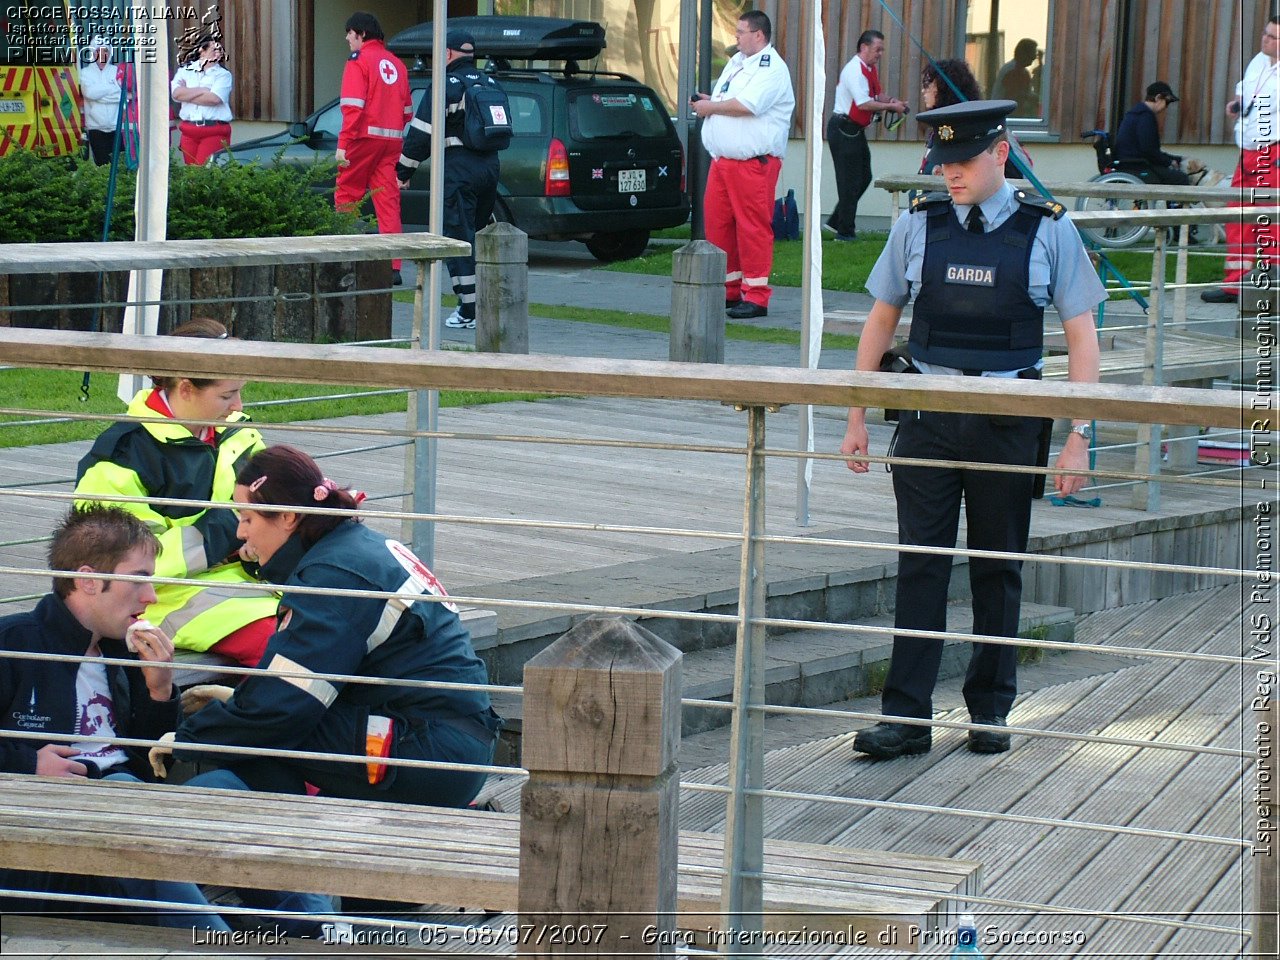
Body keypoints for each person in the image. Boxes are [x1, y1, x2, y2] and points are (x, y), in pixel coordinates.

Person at [839, 100, 1104, 760]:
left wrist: (1080, 433)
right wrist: (855, 415)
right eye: (942, 163)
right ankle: (905, 719)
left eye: (961, 162)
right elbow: (879, 322)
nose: (949, 174)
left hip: (1008, 419)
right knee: (920, 568)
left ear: (1001, 153)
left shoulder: (1048, 231)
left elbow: (1082, 338)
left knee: (997, 570)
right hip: (928, 419)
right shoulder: (916, 225)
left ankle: (989, 711)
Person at [158, 445, 501, 808]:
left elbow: (284, 707)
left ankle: (279, 836)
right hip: (449, 743)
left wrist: (188, 739)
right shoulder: (354, 547)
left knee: (268, 733)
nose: (240, 533)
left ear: (287, 516)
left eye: (246, 518)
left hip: (429, 757)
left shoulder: (332, 576)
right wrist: (238, 707)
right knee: (259, 731)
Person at [0, 505, 230, 931]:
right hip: (44, 846)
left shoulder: (120, 651)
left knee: (231, 787)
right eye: (140, 580)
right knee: (122, 790)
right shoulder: (14, 644)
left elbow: (150, 765)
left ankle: (315, 928)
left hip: (127, 824)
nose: (152, 597)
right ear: (88, 580)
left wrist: (160, 690)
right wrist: (27, 764)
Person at [75, 319, 278, 667]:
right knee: (287, 648)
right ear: (185, 387)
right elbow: (128, 563)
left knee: (337, 627)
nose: (237, 405)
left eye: (240, 391)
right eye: (227, 395)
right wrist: (233, 528)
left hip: (252, 583)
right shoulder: (121, 458)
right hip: (166, 600)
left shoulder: (235, 432)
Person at [397, 28, 505, 331]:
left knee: (457, 239)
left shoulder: (446, 84)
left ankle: (470, 309)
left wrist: (403, 171)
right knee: (479, 237)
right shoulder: (490, 81)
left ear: (446, 54)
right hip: (490, 169)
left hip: (459, 170)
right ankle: (486, 302)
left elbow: (421, 133)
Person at [691, 10, 795, 320]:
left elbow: (747, 106)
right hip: (724, 161)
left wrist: (709, 107)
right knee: (719, 225)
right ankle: (730, 290)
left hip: (753, 163)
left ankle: (757, 296)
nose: (736, 36)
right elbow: (731, 100)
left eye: (741, 31)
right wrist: (709, 101)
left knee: (753, 229)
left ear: (759, 35)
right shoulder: (738, 63)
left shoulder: (771, 68)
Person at [1203, 15, 1280, 304]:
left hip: (1273, 153)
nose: (1266, 40)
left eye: (1273, 37)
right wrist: (1237, 103)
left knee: (1269, 220)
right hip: (1247, 152)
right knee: (1238, 215)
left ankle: (1268, 286)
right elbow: (1244, 89)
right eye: (1265, 33)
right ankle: (1235, 284)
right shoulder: (1259, 61)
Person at [336, 12, 413, 286]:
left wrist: (344, 144)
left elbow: (353, 108)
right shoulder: (397, 65)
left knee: (347, 193)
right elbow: (407, 113)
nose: (347, 38)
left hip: (363, 139)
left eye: (349, 33)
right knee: (387, 200)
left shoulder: (359, 61)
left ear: (362, 34)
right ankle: (393, 267)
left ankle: (343, 258)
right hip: (391, 142)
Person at [826, 30, 908, 243]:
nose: (880, 53)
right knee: (849, 181)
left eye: (881, 49)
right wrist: (891, 107)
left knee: (864, 177)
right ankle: (845, 232)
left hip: (853, 130)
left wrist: (893, 102)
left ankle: (837, 221)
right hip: (844, 128)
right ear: (864, 47)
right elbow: (863, 102)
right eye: (877, 49)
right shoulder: (855, 70)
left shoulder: (868, 69)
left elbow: (876, 95)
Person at [918, 58, 1032, 180]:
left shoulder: (978, 129)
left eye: (927, 85)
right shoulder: (942, 128)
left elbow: (1014, 175)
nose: (923, 91)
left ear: (943, 87)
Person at [170, 35, 233, 166]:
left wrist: (188, 94)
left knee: (204, 171)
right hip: (189, 129)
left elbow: (214, 99)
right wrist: (203, 90)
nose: (218, 53)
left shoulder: (223, 74)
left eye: (220, 50)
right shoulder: (185, 71)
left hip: (213, 130)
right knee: (191, 171)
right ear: (201, 51)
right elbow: (176, 94)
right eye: (213, 50)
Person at [1114, 81, 1189, 186]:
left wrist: (1176, 159)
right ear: (1158, 98)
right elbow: (1148, 150)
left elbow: (1151, 150)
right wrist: (1169, 162)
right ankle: (1178, 202)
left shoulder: (1136, 113)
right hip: (1137, 165)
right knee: (1180, 178)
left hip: (1130, 161)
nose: (1166, 107)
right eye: (1167, 102)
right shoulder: (1145, 117)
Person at [81, 36, 122, 165]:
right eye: (98, 51)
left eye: (106, 51)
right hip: (95, 127)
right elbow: (89, 93)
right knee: (102, 164)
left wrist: (99, 95)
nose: (102, 55)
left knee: (119, 164)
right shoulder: (85, 73)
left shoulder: (117, 71)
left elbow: (121, 95)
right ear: (93, 53)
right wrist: (112, 89)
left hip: (116, 127)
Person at [991, 39, 1039, 117]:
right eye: (1032, 54)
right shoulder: (1012, 71)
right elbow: (1015, 96)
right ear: (1024, 54)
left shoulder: (1024, 72)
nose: (1034, 58)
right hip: (1004, 116)